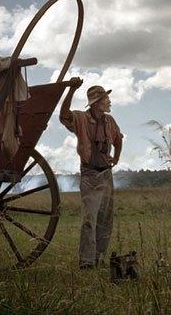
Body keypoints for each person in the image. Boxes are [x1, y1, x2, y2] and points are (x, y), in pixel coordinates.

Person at [60, 77, 123, 269]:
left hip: (106, 174)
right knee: (89, 220)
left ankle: (99, 259)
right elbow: (63, 115)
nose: (109, 102)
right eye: (105, 99)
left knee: (105, 220)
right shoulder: (80, 118)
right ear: (96, 103)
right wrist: (71, 90)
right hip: (89, 175)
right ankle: (87, 263)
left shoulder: (109, 121)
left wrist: (117, 158)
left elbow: (118, 139)